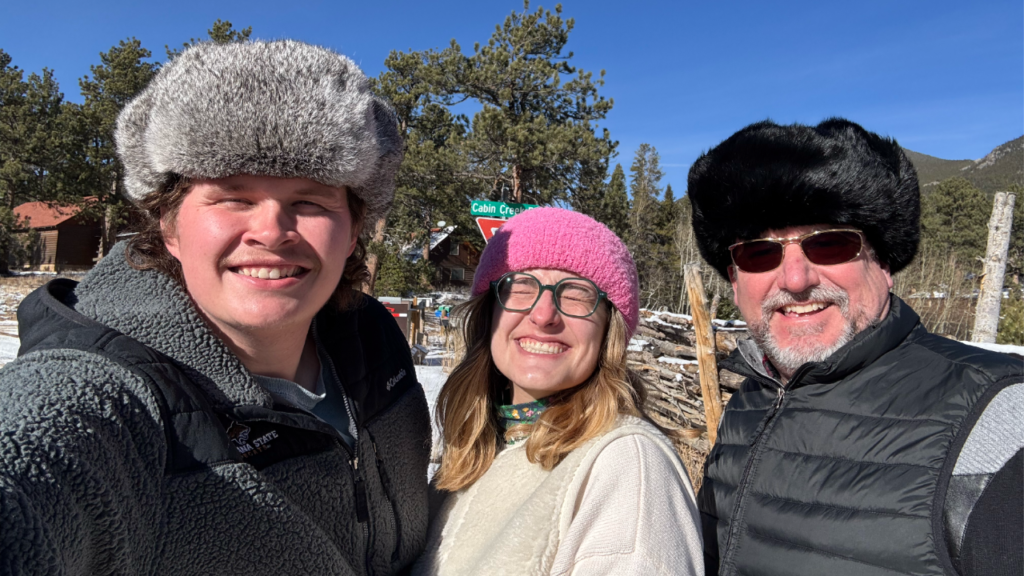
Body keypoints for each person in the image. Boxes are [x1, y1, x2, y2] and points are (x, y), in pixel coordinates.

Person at [0, 40, 431, 575]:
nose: (272, 231)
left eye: (310, 202)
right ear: (169, 226)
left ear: (351, 233)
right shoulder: (110, 397)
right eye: (233, 197)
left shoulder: (374, 343)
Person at [688, 118, 1024, 576]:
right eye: (759, 253)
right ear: (734, 278)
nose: (795, 279)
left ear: (884, 262)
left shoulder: (998, 415)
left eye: (829, 244)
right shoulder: (750, 402)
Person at [414, 207, 703, 575]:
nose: (543, 314)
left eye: (577, 294)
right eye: (520, 286)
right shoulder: (476, 453)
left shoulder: (627, 468)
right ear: (489, 313)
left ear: (608, 329)